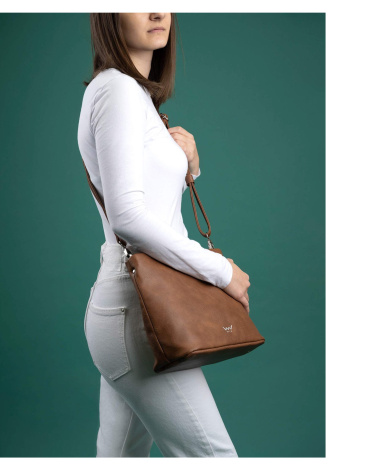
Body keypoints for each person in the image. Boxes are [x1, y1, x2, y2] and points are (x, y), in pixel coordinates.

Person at [77, 13, 251, 458]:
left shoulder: (133, 94)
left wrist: (190, 167)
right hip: (138, 312)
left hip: (133, 309)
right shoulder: (117, 90)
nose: (157, 12)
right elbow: (128, 218)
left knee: (119, 458)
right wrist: (221, 271)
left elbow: (152, 207)